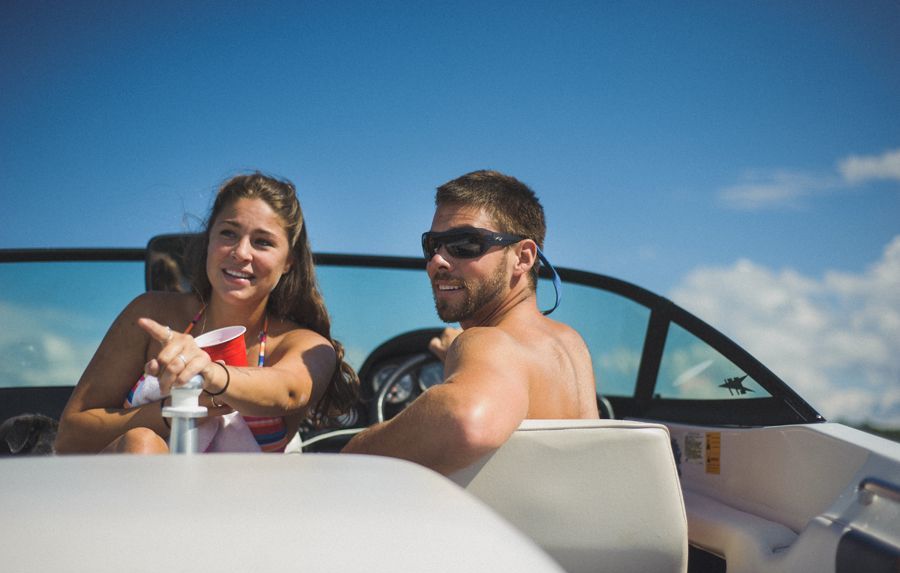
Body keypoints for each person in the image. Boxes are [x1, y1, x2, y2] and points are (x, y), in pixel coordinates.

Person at [55, 172, 358, 454]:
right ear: (209, 240)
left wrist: (211, 374)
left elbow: (289, 392)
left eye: (262, 242)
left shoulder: (304, 345)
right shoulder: (151, 314)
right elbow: (69, 437)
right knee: (141, 443)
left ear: (289, 261)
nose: (241, 252)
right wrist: (175, 411)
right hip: (142, 502)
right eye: (228, 233)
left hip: (247, 506)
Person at [342, 170, 598, 474]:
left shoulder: (486, 342)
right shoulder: (570, 343)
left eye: (464, 244)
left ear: (524, 257)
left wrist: (349, 454)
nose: (437, 261)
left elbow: (467, 422)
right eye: (432, 245)